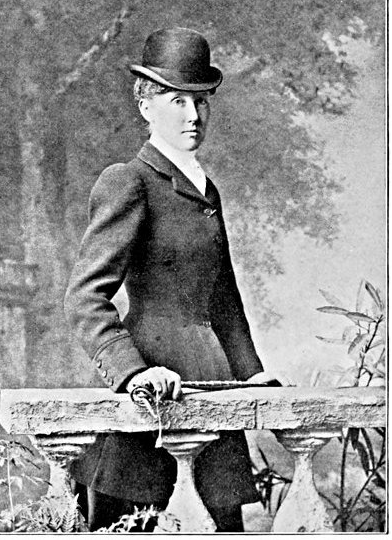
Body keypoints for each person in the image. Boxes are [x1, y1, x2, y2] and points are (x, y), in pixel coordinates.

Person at [64, 27, 287, 532]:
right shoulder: (128, 181)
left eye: (201, 101)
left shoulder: (207, 190)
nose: (193, 116)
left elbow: (223, 299)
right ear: (146, 107)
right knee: (136, 525)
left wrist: (251, 374)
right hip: (151, 392)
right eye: (177, 101)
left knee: (217, 524)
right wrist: (132, 373)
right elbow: (84, 298)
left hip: (211, 385)